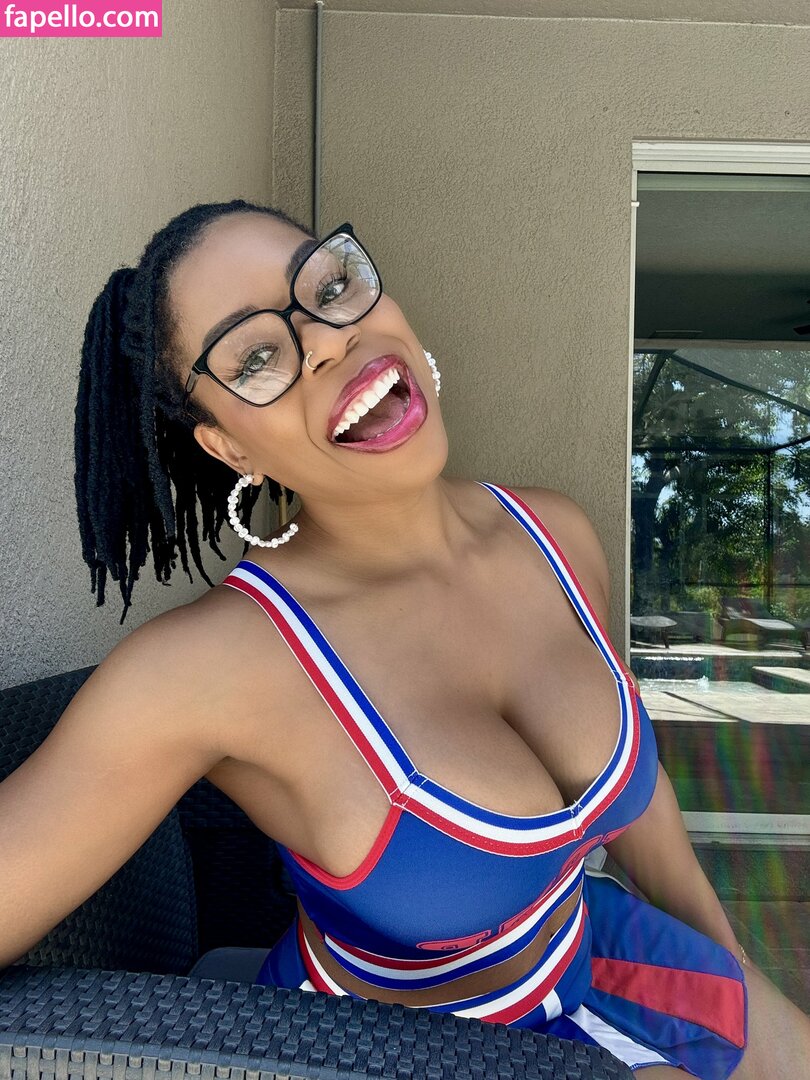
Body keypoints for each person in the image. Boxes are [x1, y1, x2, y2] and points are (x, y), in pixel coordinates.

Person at [2, 199, 809, 1079]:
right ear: (231, 447)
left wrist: (727, 961)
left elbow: (639, 806)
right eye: (258, 357)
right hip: (397, 1052)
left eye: (328, 288)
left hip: (602, 955)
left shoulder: (556, 534)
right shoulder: (215, 665)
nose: (325, 340)